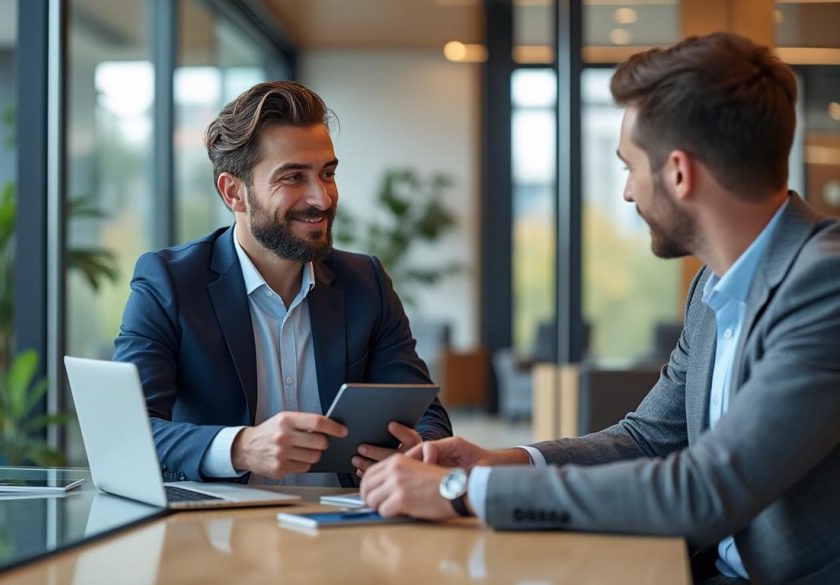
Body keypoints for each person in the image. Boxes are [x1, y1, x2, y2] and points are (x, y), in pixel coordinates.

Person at [360, 32, 840, 585]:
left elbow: (705, 490)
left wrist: (465, 492)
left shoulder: (823, 283)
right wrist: (500, 462)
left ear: (679, 173)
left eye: (629, 166)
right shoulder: (713, 286)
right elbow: (646, 438)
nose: (628, 193)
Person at [111, 81, 452, 489]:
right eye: (292, 177)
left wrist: (413, 450)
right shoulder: (169, 283)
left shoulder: (367, 284)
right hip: (218, 540)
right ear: (233, 192)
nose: (322, 199)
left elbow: (426, 414)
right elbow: (126, 432)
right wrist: (240, 448)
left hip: (349, 533)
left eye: (327, 173)